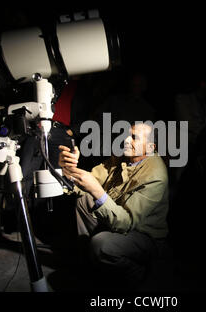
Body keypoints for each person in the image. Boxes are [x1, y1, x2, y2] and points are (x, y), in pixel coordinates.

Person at [58, 122, 169, 289]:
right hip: (116, 221)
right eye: (126, 134)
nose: (125, 140)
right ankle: (89, 265)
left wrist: (97, 191)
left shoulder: (155, 175)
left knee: (102, 244)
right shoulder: (121, 158)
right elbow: (90, 179)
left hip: (144, 236)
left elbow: (126, 222)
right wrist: (68, 168)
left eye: (134, 137)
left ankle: (136, 276)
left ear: (150, 146)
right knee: (84, 200)